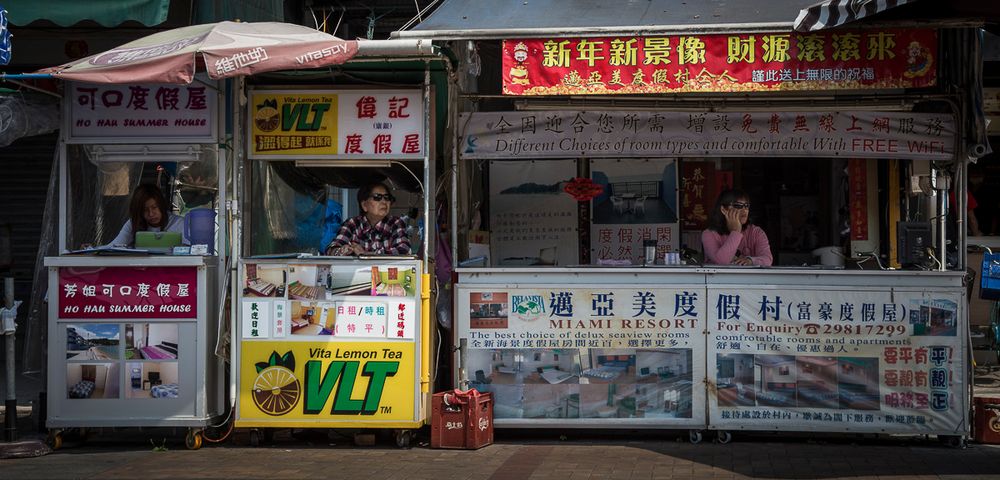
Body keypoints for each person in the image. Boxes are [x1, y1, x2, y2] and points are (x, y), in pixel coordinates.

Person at [325, 182, 412, 255]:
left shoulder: (395, 223)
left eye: (387, 197)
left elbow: (404, 250)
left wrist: (367, 254)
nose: (384, 202)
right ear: (364, 205)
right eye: (377, 197)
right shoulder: (352, 224)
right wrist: (342, 250)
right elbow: (331, 250)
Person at [702, 188, 773, 266]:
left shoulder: (756, 232)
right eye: (738, 206)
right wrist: (735, 232)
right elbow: (721, 261)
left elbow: (768, 259)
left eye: (747, 206)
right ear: (723, 209)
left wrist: (750, 260)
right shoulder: (709, 234)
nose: (744, 210)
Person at [108, 183, 187, 247]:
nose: (151, 214)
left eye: (154, 207)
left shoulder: (180, 224)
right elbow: (114, 246)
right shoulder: (134, 223)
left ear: (162, 205)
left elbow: (193, 251)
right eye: (145, 210)